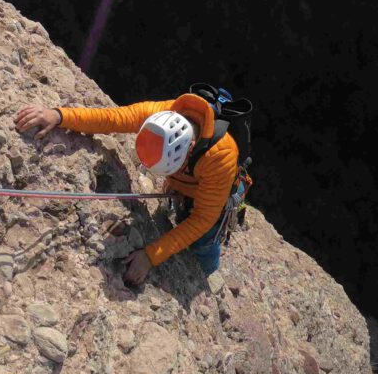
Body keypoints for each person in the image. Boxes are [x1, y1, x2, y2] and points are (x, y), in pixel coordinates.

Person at [14, 93, 239, 285]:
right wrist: (59, 115)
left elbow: (202, 218)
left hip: (213, 192)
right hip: (182, 185)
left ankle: (206, 274)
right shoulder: (159, 116)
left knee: (205, 245)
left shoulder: (220, 156)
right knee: (180, 217)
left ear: (190, 149)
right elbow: (112, 119)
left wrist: (151, 256)